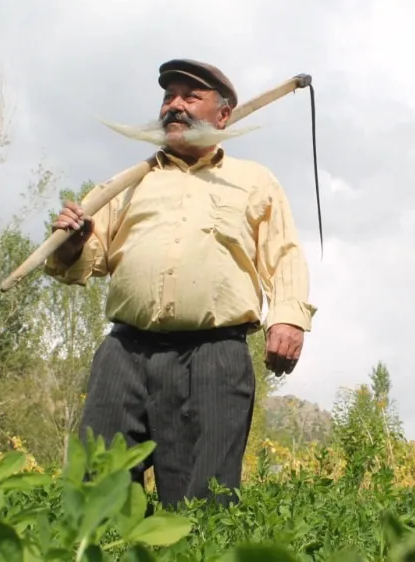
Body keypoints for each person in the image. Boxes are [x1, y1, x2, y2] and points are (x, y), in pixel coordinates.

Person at [45, 59, 316, 508]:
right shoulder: (128, 184)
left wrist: (287, 320)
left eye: (191, 97)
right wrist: (71, 244)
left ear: (223, 115)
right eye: (169, 96)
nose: (175, 106)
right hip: (125, 352)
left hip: (213, 356)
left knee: (202, 501)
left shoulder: (253, 181)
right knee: (97, 489)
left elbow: (283, 255)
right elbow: (85, 262)